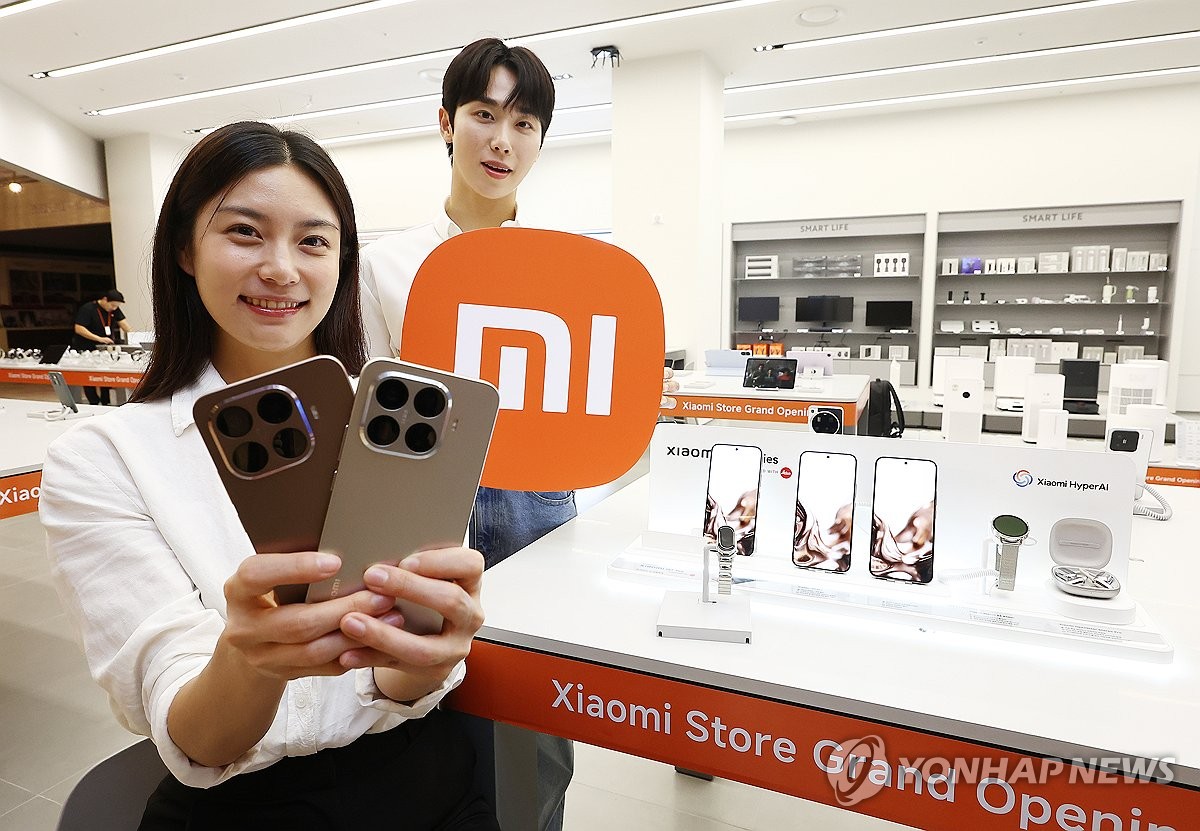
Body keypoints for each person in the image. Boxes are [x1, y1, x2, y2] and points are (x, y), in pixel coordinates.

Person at [40, 122, 498, 830]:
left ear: (343, 262)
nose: (282, 268)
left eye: (314, 240)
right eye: (245, 232)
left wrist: (427, 661)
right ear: (185, 249)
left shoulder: (402, 421)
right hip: (239, 805)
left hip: (429, 774)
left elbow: (402, 672)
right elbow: (192, 732)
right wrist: (251, 662)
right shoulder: (105, 457)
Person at [358, 38, 575, 831]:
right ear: (447, 124)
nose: (502, 140)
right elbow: (369, 406)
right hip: (428, 501)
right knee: (425, 718)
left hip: (540, 502)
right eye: (484, 115)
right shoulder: (387, 265)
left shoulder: (567, 270)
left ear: (541, 140)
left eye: (524, 122)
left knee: (542, 731)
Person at [71, 288, 132, 404]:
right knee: (89, 377)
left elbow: (125, 325)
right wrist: (99, 339)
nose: (114, 308)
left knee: (106, 374)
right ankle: (93, 402)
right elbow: (79, 328)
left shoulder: (114, 310)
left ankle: (106, 401)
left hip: (104, 348)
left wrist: (134, 338)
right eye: (112, 305)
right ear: (104, 300)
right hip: (86, 347)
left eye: (116, 306)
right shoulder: (88, 309)